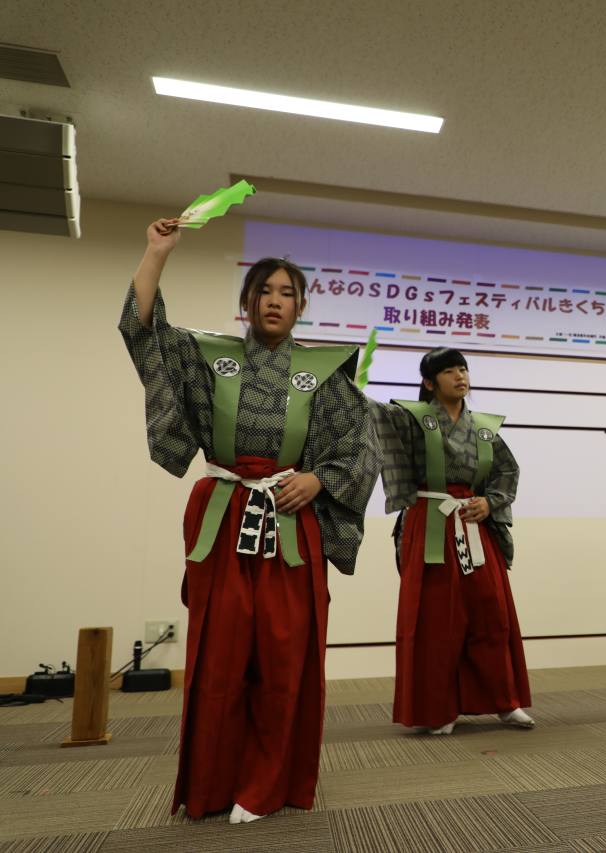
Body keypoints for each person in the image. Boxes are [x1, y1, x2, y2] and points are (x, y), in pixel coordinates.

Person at [118, 219, 378, 822]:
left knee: (283, 659)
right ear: (248, 301)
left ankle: (267, 785)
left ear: (301, 307)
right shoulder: (211, 357)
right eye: (265, 290)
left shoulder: (323, 371)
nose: (275, 301)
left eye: (288, 293)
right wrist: (156, 252)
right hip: (225, 515)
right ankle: (213, 783)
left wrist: (318, 480)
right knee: (220, 657)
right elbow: (143, 332)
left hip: (290, 520)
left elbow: (359, 444)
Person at [368, 348, 532, 734]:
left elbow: (507, 471)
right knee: (436, 618)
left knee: (491, 613)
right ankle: (438, 708)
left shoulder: (484, 427)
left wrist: (490, 502)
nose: (460, 376)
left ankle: (505, 700)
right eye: (448, 371)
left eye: (463, 369)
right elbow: (371, 413)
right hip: (430, 522)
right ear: (429, 382)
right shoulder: (411, 418)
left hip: (474, 523)